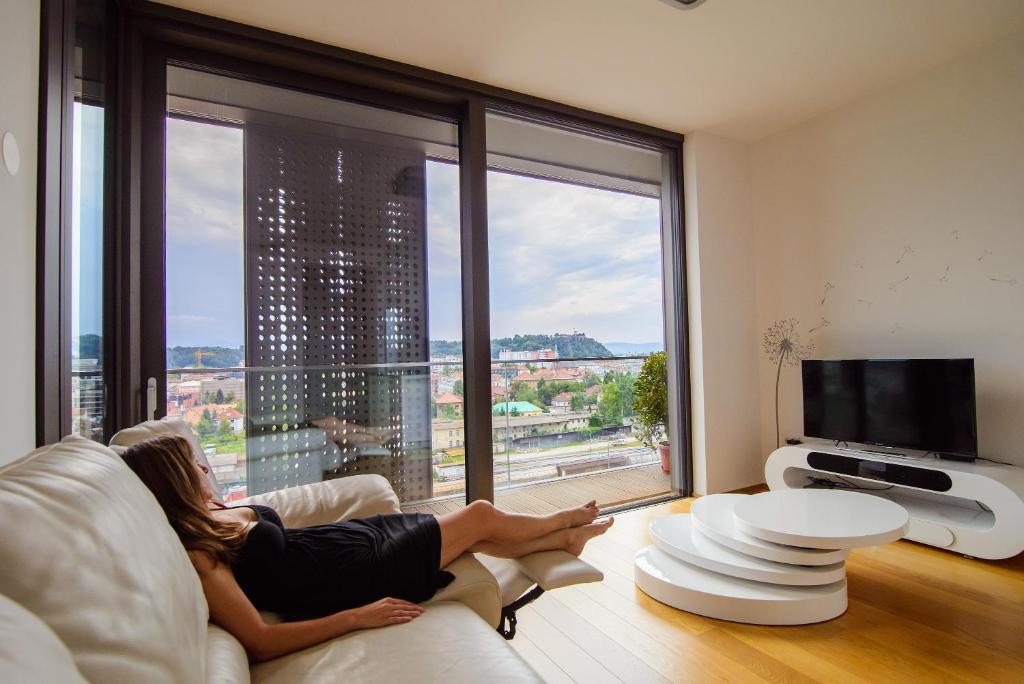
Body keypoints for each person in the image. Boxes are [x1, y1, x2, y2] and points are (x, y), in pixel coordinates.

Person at [121, 435, 613, 662]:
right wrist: (358, 616)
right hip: (355, 575)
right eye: (196, 467)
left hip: (351, 543)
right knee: (481, 514)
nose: (206, 470)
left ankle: (564, 538)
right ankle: (562, 519)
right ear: (177, 482)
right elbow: (259, 641)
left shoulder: (214, 516)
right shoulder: (200, 553)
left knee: (476, 533)